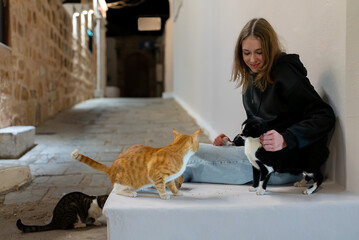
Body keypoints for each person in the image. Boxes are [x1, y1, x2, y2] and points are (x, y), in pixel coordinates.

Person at [183, 18, 335, 185]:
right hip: (260, 154)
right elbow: (260, 126)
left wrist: (286, 139)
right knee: (190, 149)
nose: (253, 59)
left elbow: (324, 115)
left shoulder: (287, 75)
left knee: (189, 161)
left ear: (270, 49)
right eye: (246, 53)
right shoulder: (252, 79)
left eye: (259, 52)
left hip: (284, 165)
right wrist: (234, 142)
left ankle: (162, 177)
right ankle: (161, 174)